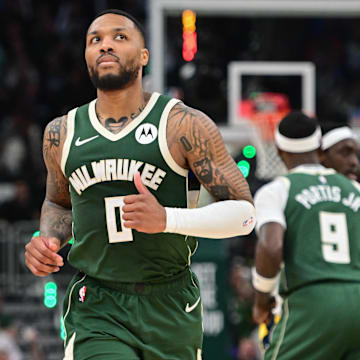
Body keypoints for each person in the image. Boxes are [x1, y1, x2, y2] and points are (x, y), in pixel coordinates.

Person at [24, 9, 255, 360]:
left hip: (170, 301)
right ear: (86, 56)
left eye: (120, 37)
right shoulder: (61, 132)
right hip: (98, 304)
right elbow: (58, 203)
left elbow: (244, 216)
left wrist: (167, 220)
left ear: (144, 55)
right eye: (95, 40)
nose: (105, 46)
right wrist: (48, 240)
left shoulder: (183, 125)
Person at [252, 111, 360, 359]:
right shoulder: (355, 189)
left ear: (278, 151)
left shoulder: (278, 190)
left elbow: (270, 247)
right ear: (320, 148)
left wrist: (261, 298)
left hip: (312, 301)